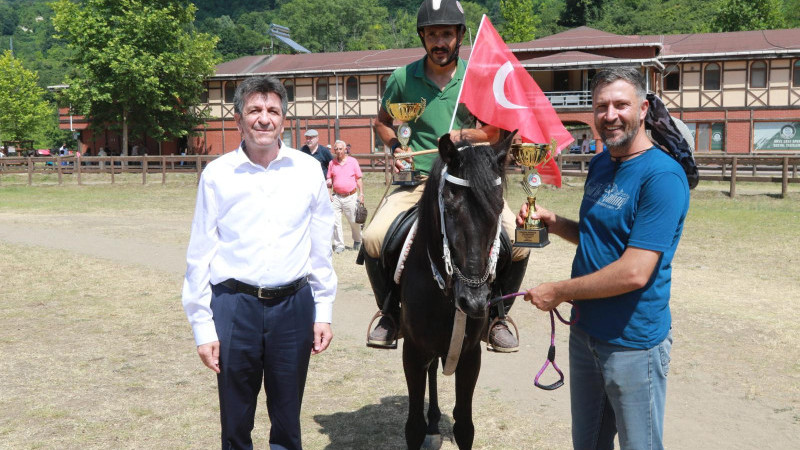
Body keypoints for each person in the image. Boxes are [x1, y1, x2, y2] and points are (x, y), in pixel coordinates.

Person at [519, 67, 690, 449]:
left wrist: (560, 291)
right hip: (584, 334)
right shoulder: (600, 164)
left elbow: (634, 271)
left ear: (643, 109)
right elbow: (596, 237)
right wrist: (554, 223)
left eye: (620, 104)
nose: (609, 115)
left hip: (632, 344)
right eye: (600, 106)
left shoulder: (662, 177)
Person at [362, 0, 530, 352]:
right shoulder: (402, 78)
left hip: (470, 183)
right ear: (423, 37)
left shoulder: (479, 79)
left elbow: (496, 131)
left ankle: (497, 316)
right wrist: (396, 148)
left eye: (447, 35)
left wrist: (462, 136)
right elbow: (382, 121)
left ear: (459, 37)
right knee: (374, 238)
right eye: (433, 34)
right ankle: (390, 314)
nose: (440, 42)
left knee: (519, 241)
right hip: (421, 179)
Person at [181, 75, 337, 450]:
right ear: (238, 119)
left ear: (284, 119)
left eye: (272, 111)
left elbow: (320, 248)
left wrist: (323, 310)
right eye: (254, 110)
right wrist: (203, 328)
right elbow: (200, 254)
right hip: (235, 307)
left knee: (287, 420)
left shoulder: (306, 170)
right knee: (235, 422)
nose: (264, 118)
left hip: (293, 307)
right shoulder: (217, 175)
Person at [327, 139, 364, 254]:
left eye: (340, 149)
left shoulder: (353, 162)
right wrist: (329, 193)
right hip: (336, 197)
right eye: (336, 149)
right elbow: (329, 180)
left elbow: (358, 178)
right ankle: (339, 245)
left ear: (345, 149)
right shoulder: (332, 163)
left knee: (353, 220)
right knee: (335, 221)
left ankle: (357, 240)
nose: (338, 151)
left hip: (351, 196)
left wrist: (361, 193)